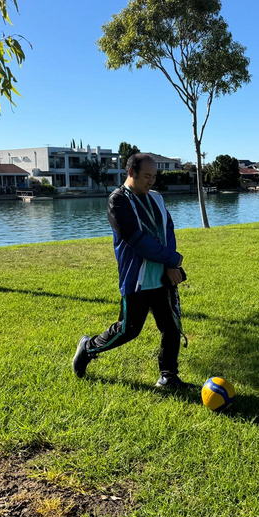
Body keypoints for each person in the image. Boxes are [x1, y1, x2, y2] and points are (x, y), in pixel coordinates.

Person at [72, 153, 187, 388]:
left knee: (171, 326)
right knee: (128, 330)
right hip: (137, 279)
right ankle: (88, 347)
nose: (151, 181)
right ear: (131, 173)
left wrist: (170, 265)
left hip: (163, 276)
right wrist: (173, 259)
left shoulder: (157, 198)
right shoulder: (118, 201)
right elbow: (138, 240)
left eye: (154, 176)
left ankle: (168, 376)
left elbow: (168, 232)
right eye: (146, 176)